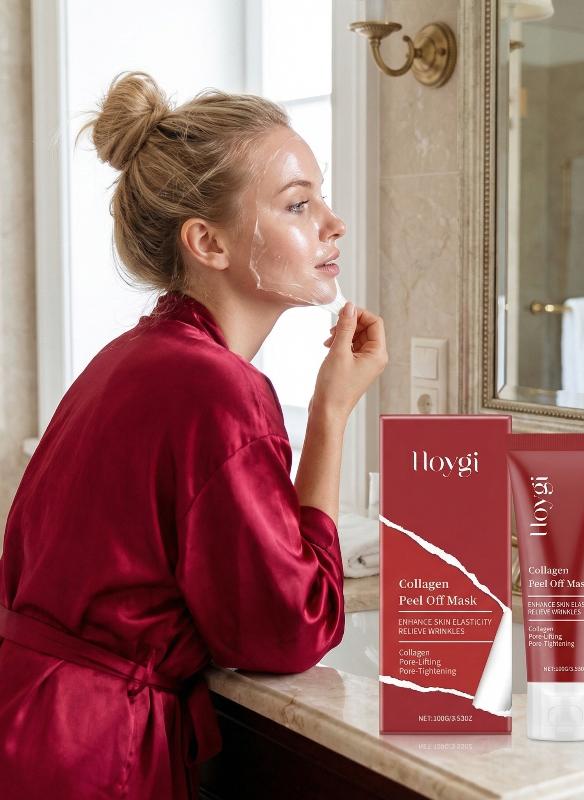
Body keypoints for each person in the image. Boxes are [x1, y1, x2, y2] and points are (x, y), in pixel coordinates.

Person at [0, 72, 387, 799]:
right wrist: (331, 415)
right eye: (298, 204)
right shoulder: (218, 388)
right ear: (207, 241)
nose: (333, 223)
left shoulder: (129, 358)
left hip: (30, 718)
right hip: (89, 751)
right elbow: (290, 629)